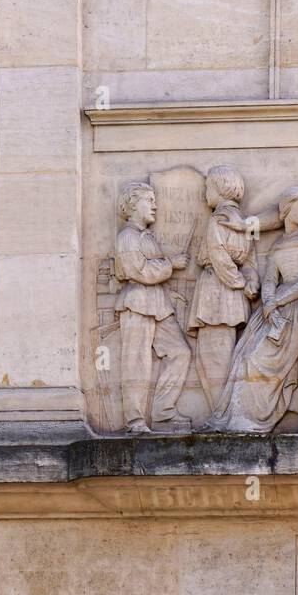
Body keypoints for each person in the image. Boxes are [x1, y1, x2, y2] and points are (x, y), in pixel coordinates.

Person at [211, 187, 298, 432]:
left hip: (292, 311)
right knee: (243, 355)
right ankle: (237, 418)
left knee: (256, 358)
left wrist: (276, 303)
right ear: (287, 206)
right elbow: (270, 279)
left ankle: (252, 420)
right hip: (271, 311)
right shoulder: (278, 245)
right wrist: (269, 302)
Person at [114, 179, 192, 434]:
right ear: (132, 205)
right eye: (149, 201)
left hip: (158, 304)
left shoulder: (145, 237)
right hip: (137, 303)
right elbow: (139, 271)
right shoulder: (127, 237)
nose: (155, 206)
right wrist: (171, 264)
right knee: (137, 363)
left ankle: (163, 412)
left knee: (180, 352)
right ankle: (135, 422)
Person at [186, 164, 259, 414]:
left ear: (219, 188)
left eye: (207, 188)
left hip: (217, 292)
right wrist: (249, 281)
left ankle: (220, 413)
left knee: (212, 358)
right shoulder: (243, 221)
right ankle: (223, 411)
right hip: (230, 293)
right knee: (222, 355)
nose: (205, 193)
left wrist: (238, 281)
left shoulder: (219, 218)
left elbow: (218, 256)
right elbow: (251, 262)